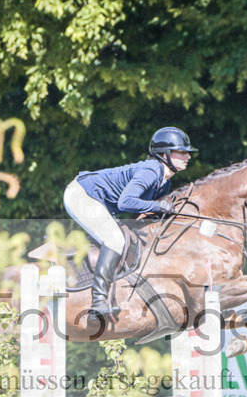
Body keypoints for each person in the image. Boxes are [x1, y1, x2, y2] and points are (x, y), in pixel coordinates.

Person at [63, 126, 196, 320]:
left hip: (100, 201)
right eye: (182, 152)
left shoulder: (164, 182)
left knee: (123, 237)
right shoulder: (151, 170)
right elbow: (125, 202)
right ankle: (98, 302)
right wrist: (159, 205)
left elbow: (139, 213)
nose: (188, 156)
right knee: (115, 240)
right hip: (82, 194)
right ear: (165, 154)